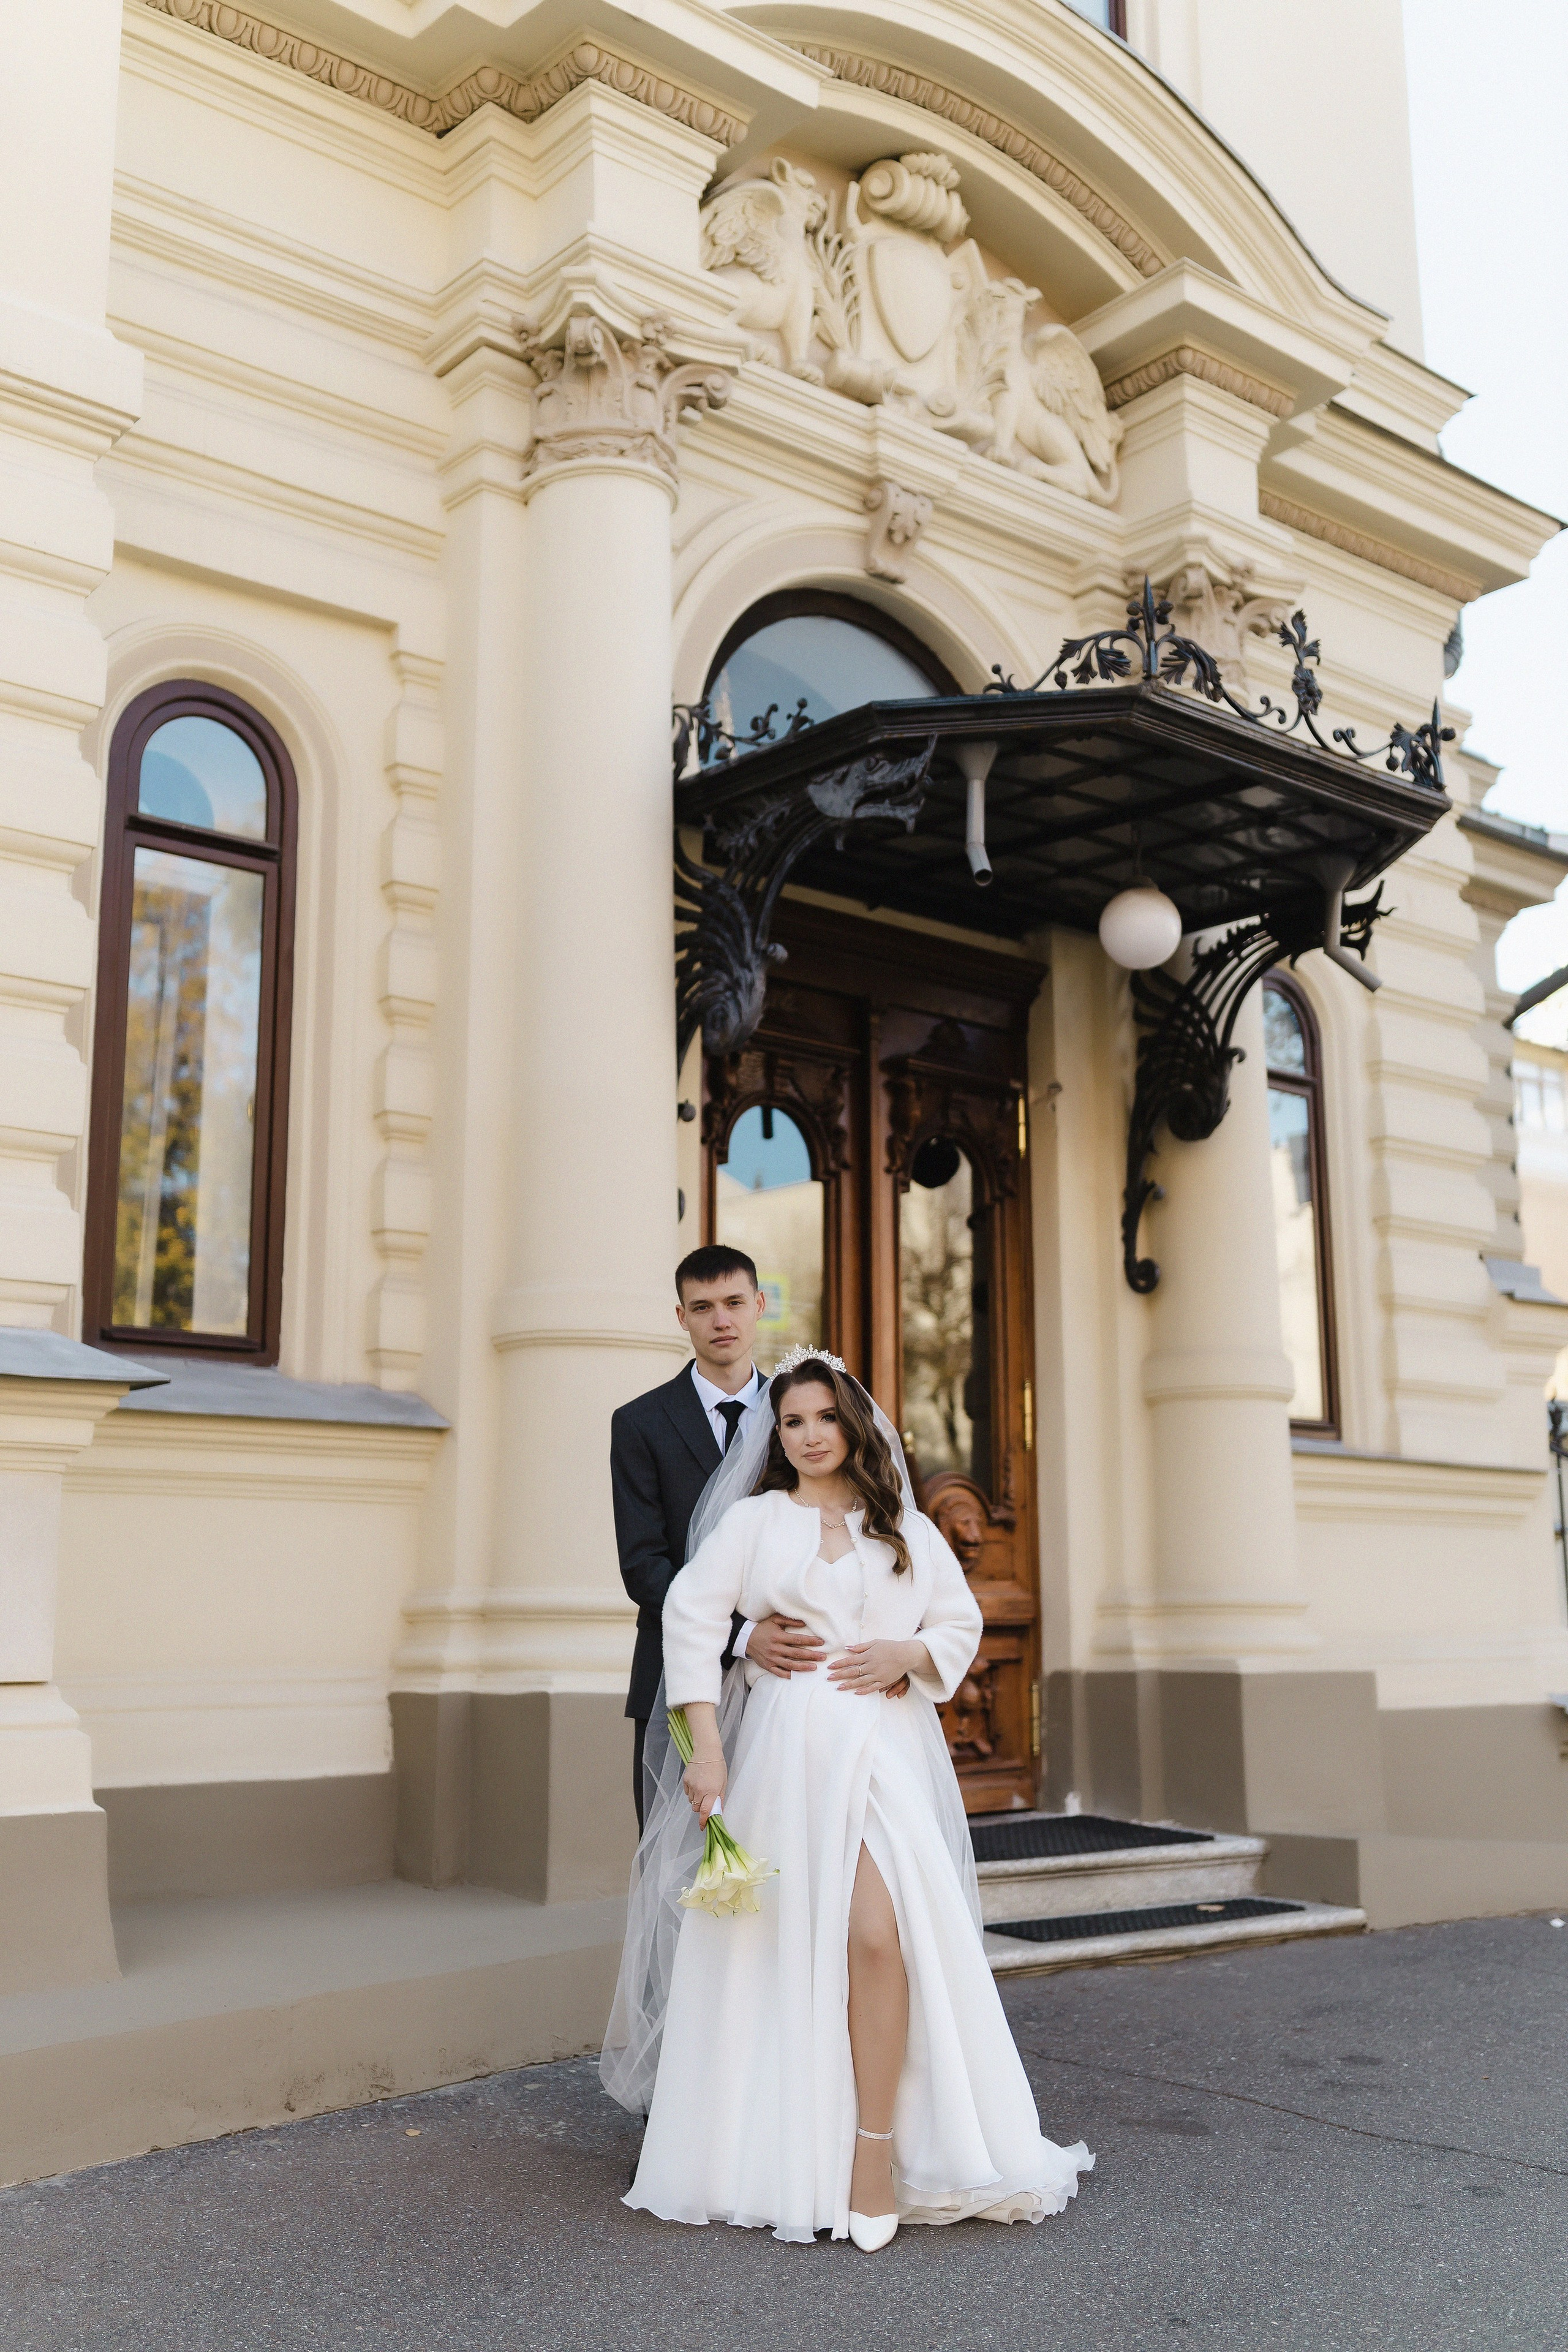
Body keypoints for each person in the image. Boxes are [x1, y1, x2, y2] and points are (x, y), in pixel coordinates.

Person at [602, 1349, 1092, 2248]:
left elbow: (957, 1620)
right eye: (792, 1422)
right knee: (782, 1947)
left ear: (852, 1424)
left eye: (825, 1417)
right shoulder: (755, 1521)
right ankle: (777, 2151)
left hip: (885, 1750)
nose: (811, 1435)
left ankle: (875, 2152)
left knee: (878, 1933)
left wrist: (906, 1656)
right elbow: (690, 1619)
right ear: (775, 1436)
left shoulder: (900, 1521)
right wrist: (705, 1751)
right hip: (786, 1753)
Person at [610, 1246, 829, 1830]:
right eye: (702, 1307)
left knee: (784, 1847)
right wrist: (742, 1634)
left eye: (734, 1303)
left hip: (792, 1676)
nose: (721, 1320)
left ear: (760, 1306)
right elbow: (643, 1566)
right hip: (677, 1677)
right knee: (683, 1865)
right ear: (682, 1317)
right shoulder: (639, 1423)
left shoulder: (803, 1414)